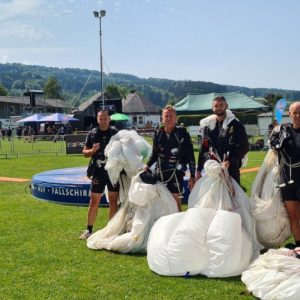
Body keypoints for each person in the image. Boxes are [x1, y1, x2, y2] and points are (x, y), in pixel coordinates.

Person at [144, 105, 196, 211]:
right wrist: (147, 165)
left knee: (176, 203)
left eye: (171, 116)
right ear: (162, 118)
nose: (168, 119)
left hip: (176, 174)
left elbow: (191, 155)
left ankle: (178, 227)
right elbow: (154, 154)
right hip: (160, 173)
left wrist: (192, 176)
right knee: (160, 205)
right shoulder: (158, 133)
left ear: (176, 118)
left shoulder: (182, 133)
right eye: (166, 116)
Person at [79, 110, 119, 240]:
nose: (103, 121)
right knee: (94, 200)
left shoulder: (116, 133)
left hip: (113, 172)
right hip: (98, 171)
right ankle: (89, 230)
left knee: (113, 201)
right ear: (97, 120)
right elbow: (84, 152)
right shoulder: (92, 133)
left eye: (105, 118)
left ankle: (111, 231)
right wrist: (93, 150)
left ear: (109, 119)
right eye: (100, 118)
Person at [196, 95, 249, 185]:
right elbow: (203, 149)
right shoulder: (207, 127)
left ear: (226, 106)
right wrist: (198, 170)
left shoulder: (236, 125)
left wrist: (230, 161)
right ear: (213, 108)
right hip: (212, 172)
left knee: (233, 198)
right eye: (216, 106)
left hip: (231, 171)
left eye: (221, 105)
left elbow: (245, 147)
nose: (219, 108)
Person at [269, 101, 300, 250]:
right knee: (293, 215)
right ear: (290, 114)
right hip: (287, 179)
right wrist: (276, 133)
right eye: (295, 113)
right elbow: (274, 147)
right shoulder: (283, 130)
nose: (298, 116)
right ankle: (299, 245)